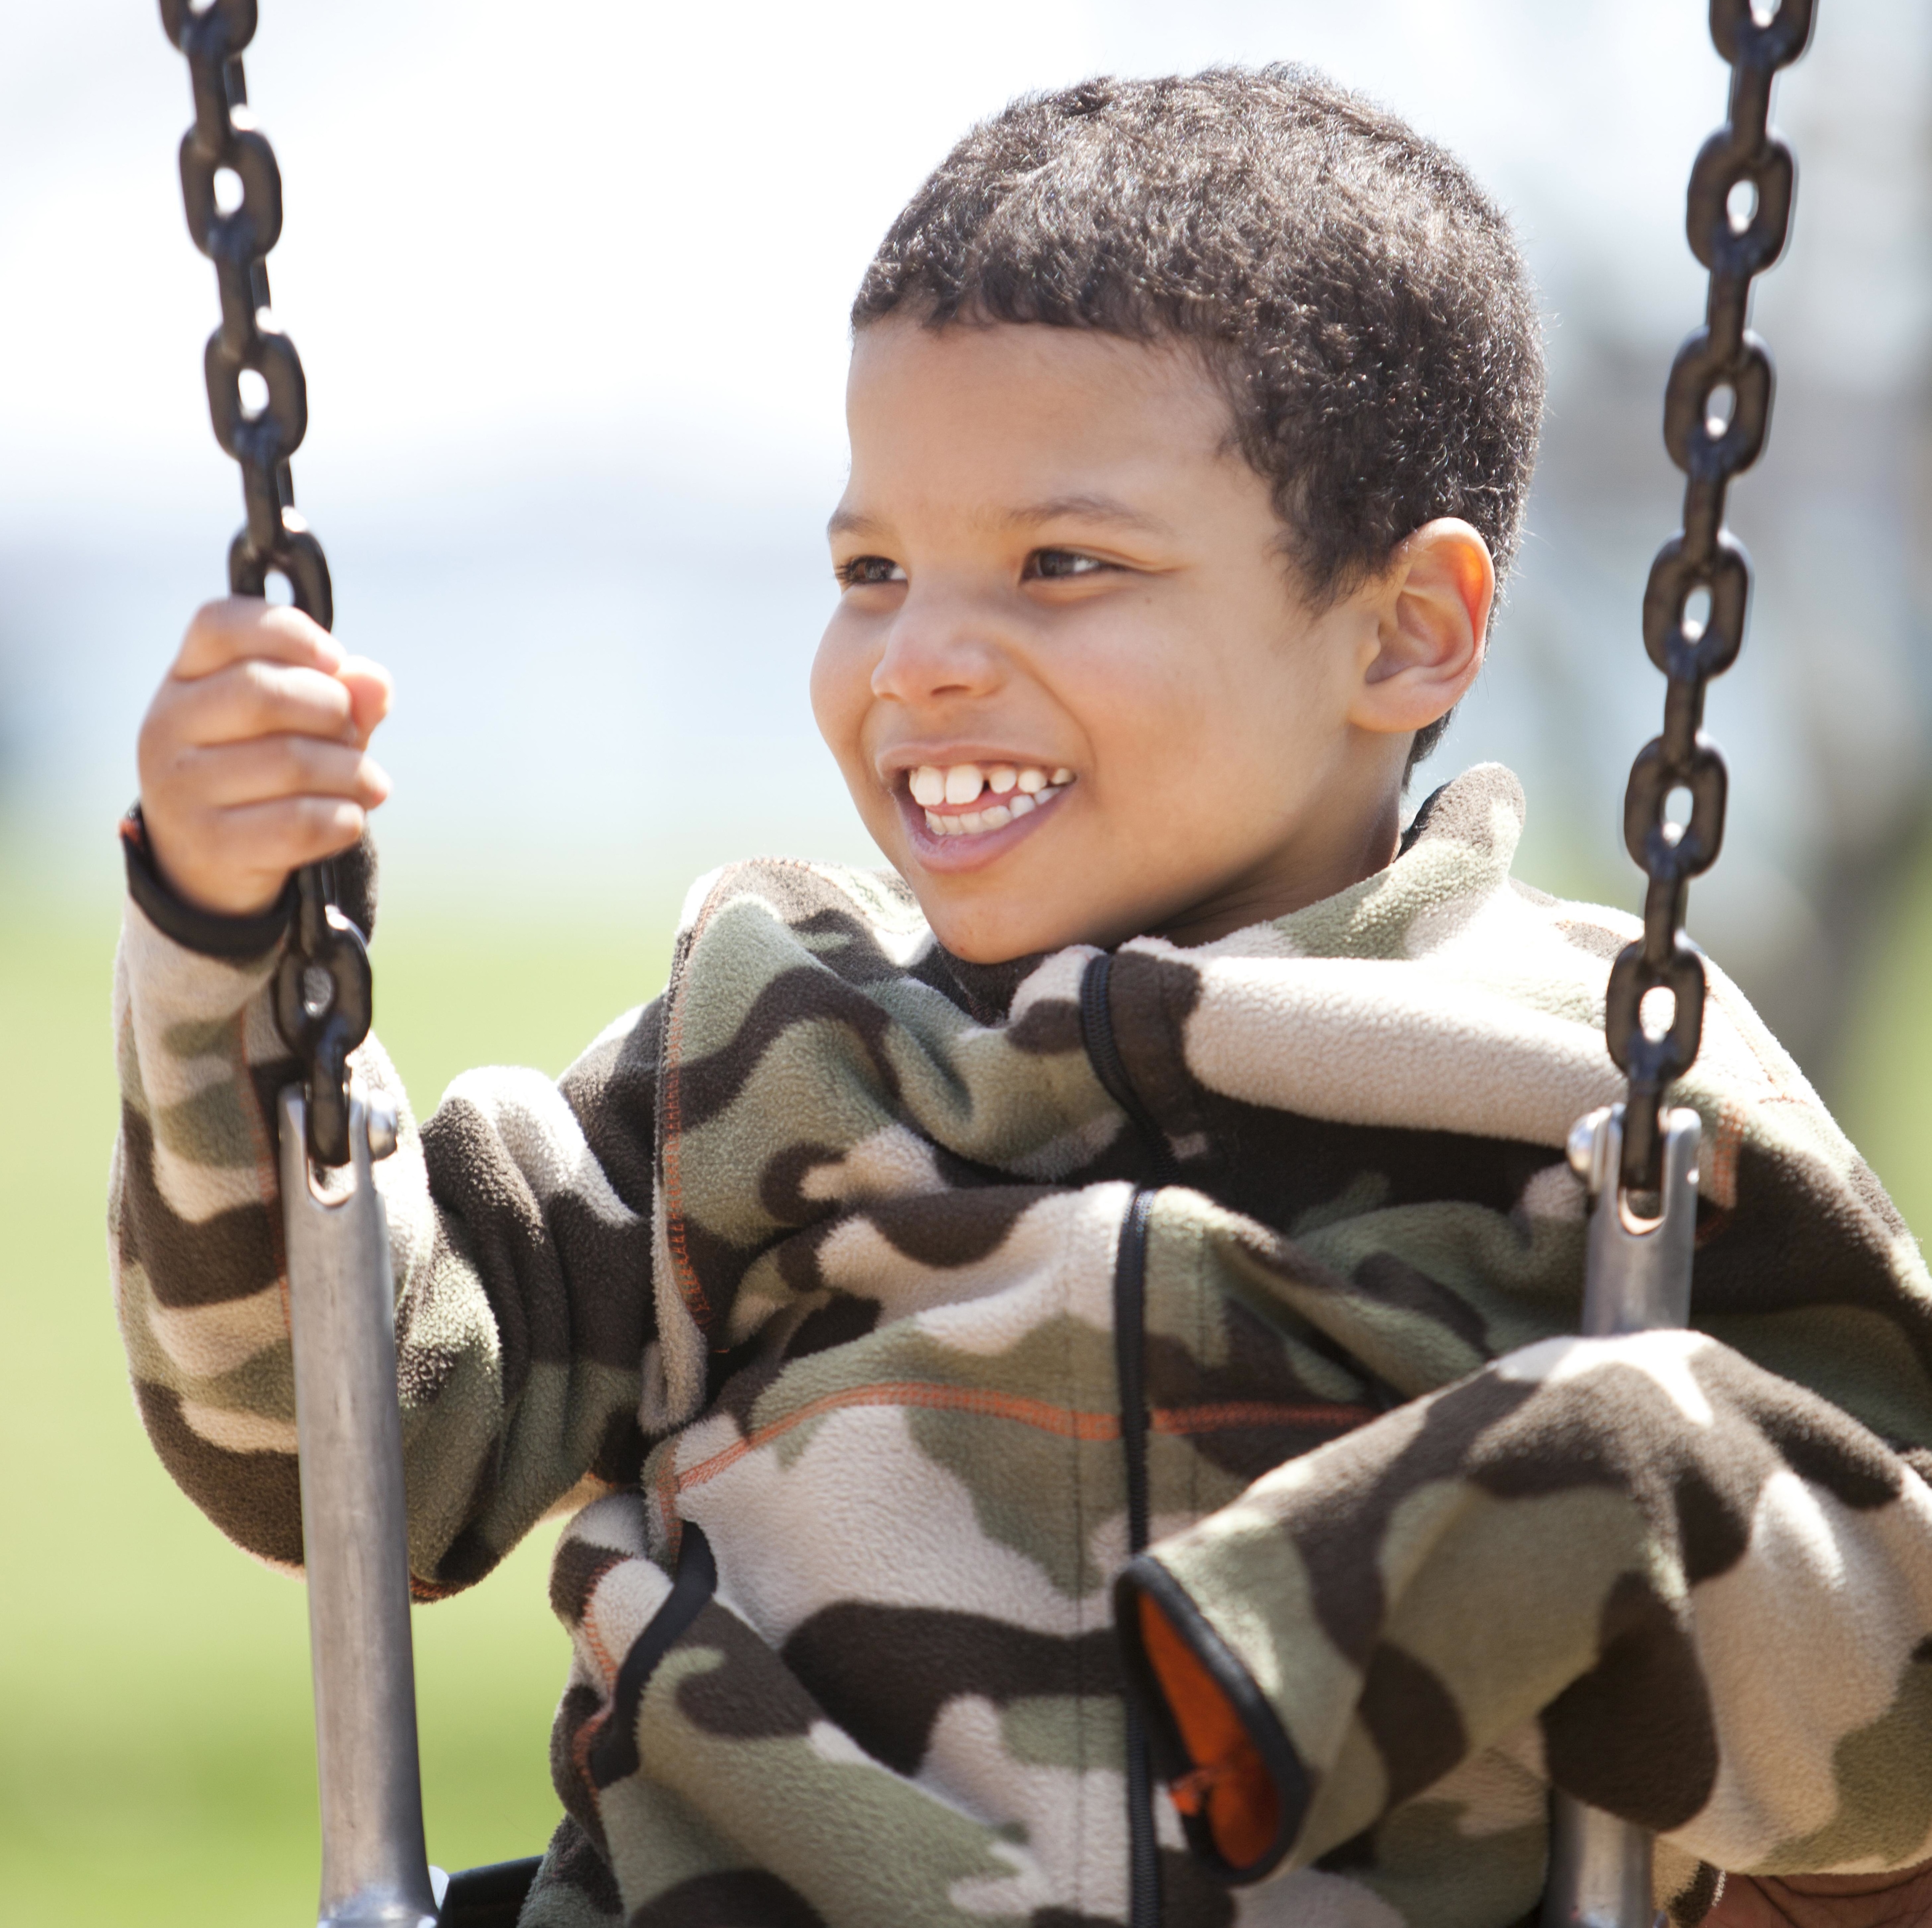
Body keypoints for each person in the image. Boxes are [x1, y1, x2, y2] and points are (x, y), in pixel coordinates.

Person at [110, 66, 1932, 1928]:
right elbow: (339, 1444)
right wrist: (229, 944)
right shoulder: (761, 1049)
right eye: (872, 569)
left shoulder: (1578, 1081)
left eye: (1063, 566)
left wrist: (1589, 1491)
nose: (918, 660)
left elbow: (1901, 1738)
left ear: (1407, 630)